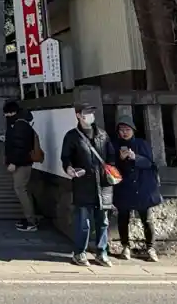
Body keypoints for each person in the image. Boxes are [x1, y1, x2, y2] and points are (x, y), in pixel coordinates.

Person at [61, 103, 113, 268]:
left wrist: (110, 171)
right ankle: (79, 252)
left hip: (103, 183)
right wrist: (69, 169)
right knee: (83, 222)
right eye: (86, 112)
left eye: (91, 112)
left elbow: (110, 156)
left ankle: (102, 252)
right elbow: (66, 158)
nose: (90, 115)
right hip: (83, 183)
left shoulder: (102, 135)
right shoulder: (72, 136)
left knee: (103, 221)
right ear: (78, 115)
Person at [107, 119, 161, 261]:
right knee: (123, 218)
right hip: (124, 186)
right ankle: (125, 246)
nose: (124, 133)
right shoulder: (114, 145)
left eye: (127, 130)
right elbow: (111, 165)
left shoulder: (141, 144)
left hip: (141, 186)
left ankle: (150, 247)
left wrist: (134, 157)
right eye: (121, 130)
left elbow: (149, 163)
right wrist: (120, 159)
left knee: (147, 219)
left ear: (133, 130)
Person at [2, 100, 40, 232]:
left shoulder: (19, 126)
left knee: (20, 190)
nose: (6, 116)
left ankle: (31, 221)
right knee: (23, 190)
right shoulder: (22, 123)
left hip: (21, 164)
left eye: (7, 113)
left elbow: (20, 146)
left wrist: (13, 162)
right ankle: (29, 217)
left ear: (12, 112)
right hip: (24, 162)